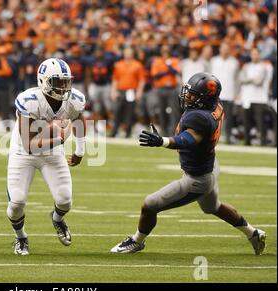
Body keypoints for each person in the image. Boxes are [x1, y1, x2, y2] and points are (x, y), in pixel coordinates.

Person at [110, 72, 266, 255]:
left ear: (204, 98)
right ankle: (253, 233)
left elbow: (187, 140)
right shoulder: (215, 106)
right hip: (211, 165)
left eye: (193, 95)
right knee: (213, 207)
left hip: (197, 179)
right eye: (188, 92)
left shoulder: (198, 117)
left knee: (149, 205)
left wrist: (162, 141)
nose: (187, 97)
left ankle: (136, 241)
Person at [7, 58, 86, 255]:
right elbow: (29, 144)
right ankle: (21, 237)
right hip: (23, 152)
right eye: (58, 82)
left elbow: (79, 121)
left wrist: (80, 150)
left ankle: (57, 219)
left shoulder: (74, 100)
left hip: (52, 153)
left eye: (66, 81)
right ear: (43, 81)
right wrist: (58, 138)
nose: (64, 87)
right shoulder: (29, 101)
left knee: (65, 199)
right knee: (16, 202)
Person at [110, 47, 145, 138]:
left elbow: (141, 80)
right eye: (126, 52)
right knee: (117, 111)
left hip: (131, 91)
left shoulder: (137, 65)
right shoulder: (118, 64)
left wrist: (139, 91)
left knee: (129, 112)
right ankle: (114, 131)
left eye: (129, 52)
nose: (128, 54)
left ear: (132, 54)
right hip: (120, 90)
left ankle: (128, 132)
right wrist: (113, 91)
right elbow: (115, 79)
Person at [239, 48, 271, 146]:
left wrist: (248, 80)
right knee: (246, 122)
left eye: (256, 54)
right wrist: (252, 79)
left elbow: (259, 81)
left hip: (259, 98)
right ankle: (247, 141)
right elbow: (241, 79)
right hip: (247, 98)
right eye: (253, 54)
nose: (255, 56)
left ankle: (263, 142)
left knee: (260, 122)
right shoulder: (246, 66)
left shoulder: (264, 67)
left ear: (259, 55)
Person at [210, 42, 239, 144]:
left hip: (229, 93)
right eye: (223, 48)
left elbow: (237, 79)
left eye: (227, 48)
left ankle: (228, 138)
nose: (225, 50)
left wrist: (237, 93)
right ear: (220, 49)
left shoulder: (234, 62)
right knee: (213, 117)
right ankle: (212, 138)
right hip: (215, 95)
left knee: (229, 118)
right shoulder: (214, 61)